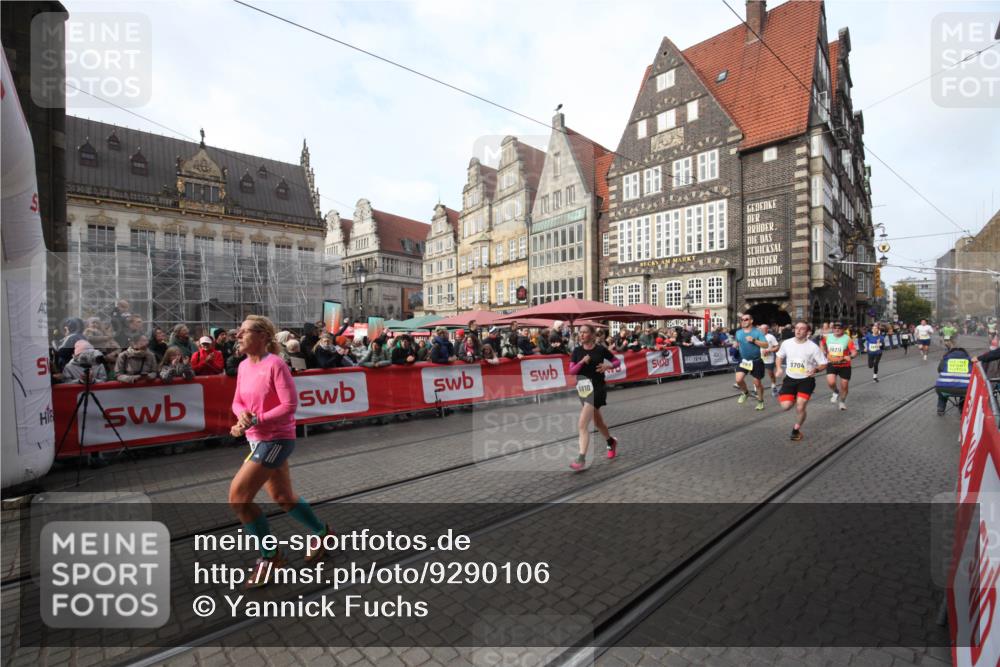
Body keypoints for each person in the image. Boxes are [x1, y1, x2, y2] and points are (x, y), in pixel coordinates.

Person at [229, 315, 329, 587]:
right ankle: (322, 532)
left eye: (244, 331)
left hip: (276, 440)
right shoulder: (243, 366)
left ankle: (270, 556)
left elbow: (289, 405)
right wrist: (241, 419)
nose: (238, 335)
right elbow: (238, 402)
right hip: (256, 438)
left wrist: (256, 419)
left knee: (238, 497)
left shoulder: (276, 365)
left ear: (262, 336)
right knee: (283, 497)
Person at [567, 323, 622, 471]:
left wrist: (608, 366)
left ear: (592, 334)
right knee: (598, 422)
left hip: (597, 388)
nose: (581, 335)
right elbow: (572, 371)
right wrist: (581, 362)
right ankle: (611, 441)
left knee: (582, 424)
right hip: (583, 390)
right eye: (580, 332)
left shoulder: (600, 350)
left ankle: (581, 459)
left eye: (584, 332)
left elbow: (617, 362)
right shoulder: (577, 351)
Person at [774, 321, 828, 441]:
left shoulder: (813, 347)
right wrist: (778, 368)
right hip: (790, 379)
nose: (798, 330)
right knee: (785, 406)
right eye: (796, 328)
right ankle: (792, 397)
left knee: (800, 406)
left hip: (806, 380)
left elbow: (824, 364)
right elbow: (779, 356)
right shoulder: (786, 343)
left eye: (802, 329)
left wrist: (816, 369)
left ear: (808, 332)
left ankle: (796, 430)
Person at [732, 313, 769, 410]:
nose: (743, 321)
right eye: (742, 319)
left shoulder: (757, 332)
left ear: (751, 321)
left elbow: (766, 345)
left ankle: (760, 401)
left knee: (757, 383)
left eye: (746, 319)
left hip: (756, 361)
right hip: (744, 361)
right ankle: (745, 393)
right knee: (738, 380)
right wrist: (735, 345)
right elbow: (738, 342)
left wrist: (754, 340)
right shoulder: (738, 332)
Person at [821, 321, 858, 411]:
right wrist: (824, 352)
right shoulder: (827, 337)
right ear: (832, 329)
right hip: (832, 363)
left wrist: (851, 356)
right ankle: (836, 391)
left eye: (839, 328)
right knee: (831, 382)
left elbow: (854, 351)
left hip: (844, 365)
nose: (837, 329)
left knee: (844, 385)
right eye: (835, 328)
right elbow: (822, 344)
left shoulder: (847, 339)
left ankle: (842, 402)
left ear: (843, 329)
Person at [759, 324, 780, 397]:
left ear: (767, 329)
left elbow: (777, 347)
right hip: (759, 358)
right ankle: (757, 389)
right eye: (760, 329)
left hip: (768, 359)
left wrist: (769, 350)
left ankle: (774, 387)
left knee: (771, 374)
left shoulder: (771, 337)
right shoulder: (757, 336)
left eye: (763, 329)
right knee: (757, 374)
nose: (761, 330)